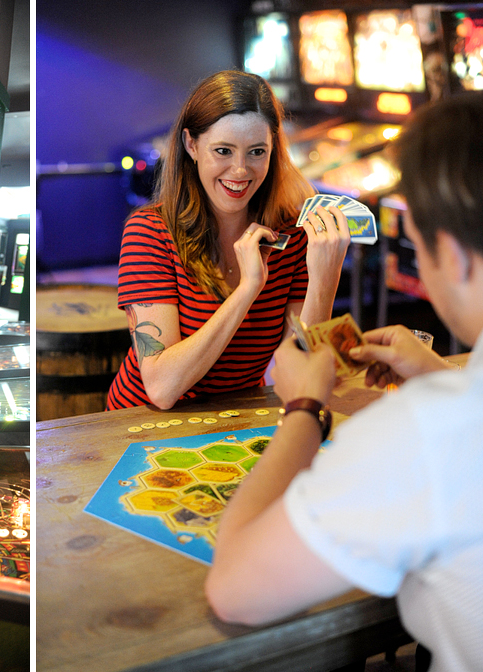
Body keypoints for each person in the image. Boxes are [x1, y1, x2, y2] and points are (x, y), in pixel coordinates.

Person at [206, 92, 483, 671]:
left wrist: (304, 407)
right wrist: (435, 374)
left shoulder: (425, 433)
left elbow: (234, 588)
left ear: (452, 257)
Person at [107, 70, 351, 410]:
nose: (240, 171)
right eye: (223, 150)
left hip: (234, 423)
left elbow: (304, 372)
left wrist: (326, 276)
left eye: (256, 152)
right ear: (191, 144)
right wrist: (248, 288)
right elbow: (162, 388)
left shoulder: (291, 233)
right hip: (139, 425)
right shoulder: (150, 231)